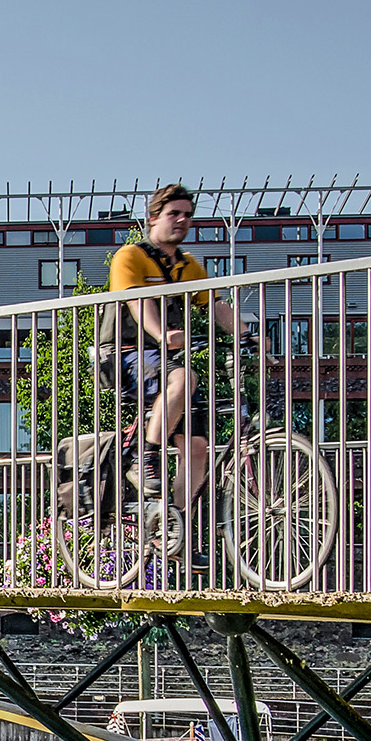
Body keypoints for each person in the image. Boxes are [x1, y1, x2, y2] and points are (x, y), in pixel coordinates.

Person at [98, 184, 254, 511]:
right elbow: (136, 301)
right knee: (184, 378)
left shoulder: (187, 266)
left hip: (163, 359)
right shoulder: (131, 256)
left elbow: (215, 305)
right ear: (153, 219)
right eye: (173, 214)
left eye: (187, 215)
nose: (182, 220)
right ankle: (145, 456)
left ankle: (175, 526)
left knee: (198, 447)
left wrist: (246, 335)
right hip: (124, 353)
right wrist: (161, 333)